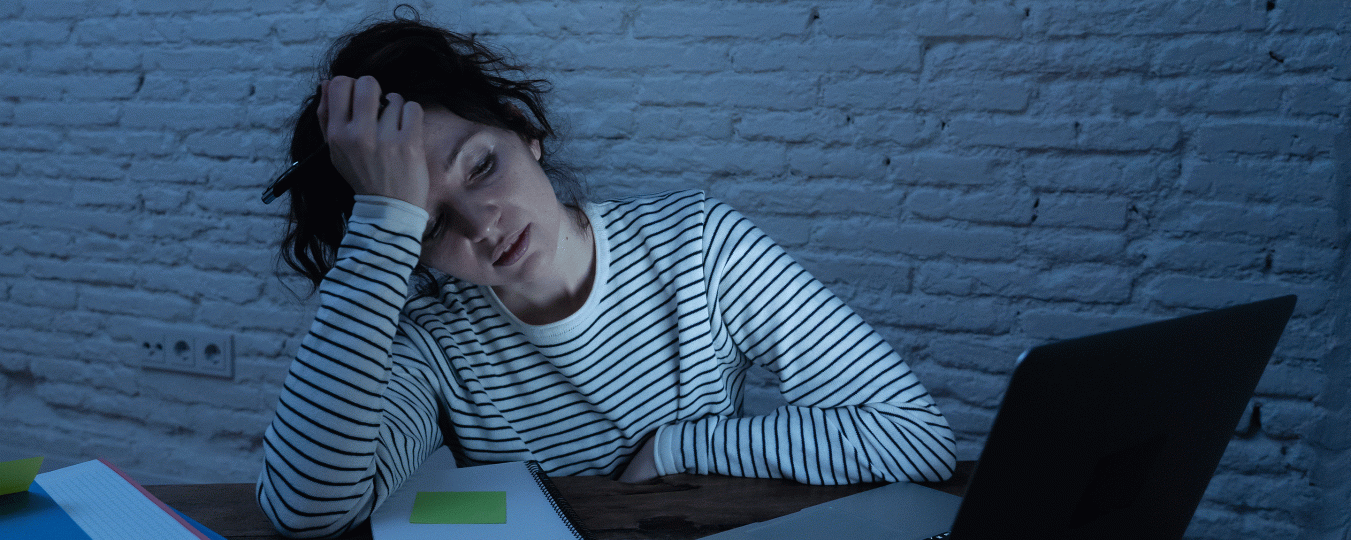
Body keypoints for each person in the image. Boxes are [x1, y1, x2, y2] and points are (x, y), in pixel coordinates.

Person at [256, 9, 956, 538]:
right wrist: (383, 216)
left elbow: (914, 438)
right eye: (429, 222)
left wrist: (680, 445)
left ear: (524, 131)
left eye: (480, 165)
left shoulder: (696, 249)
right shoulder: (433, 344)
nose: (481, 224)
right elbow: (306, 513)